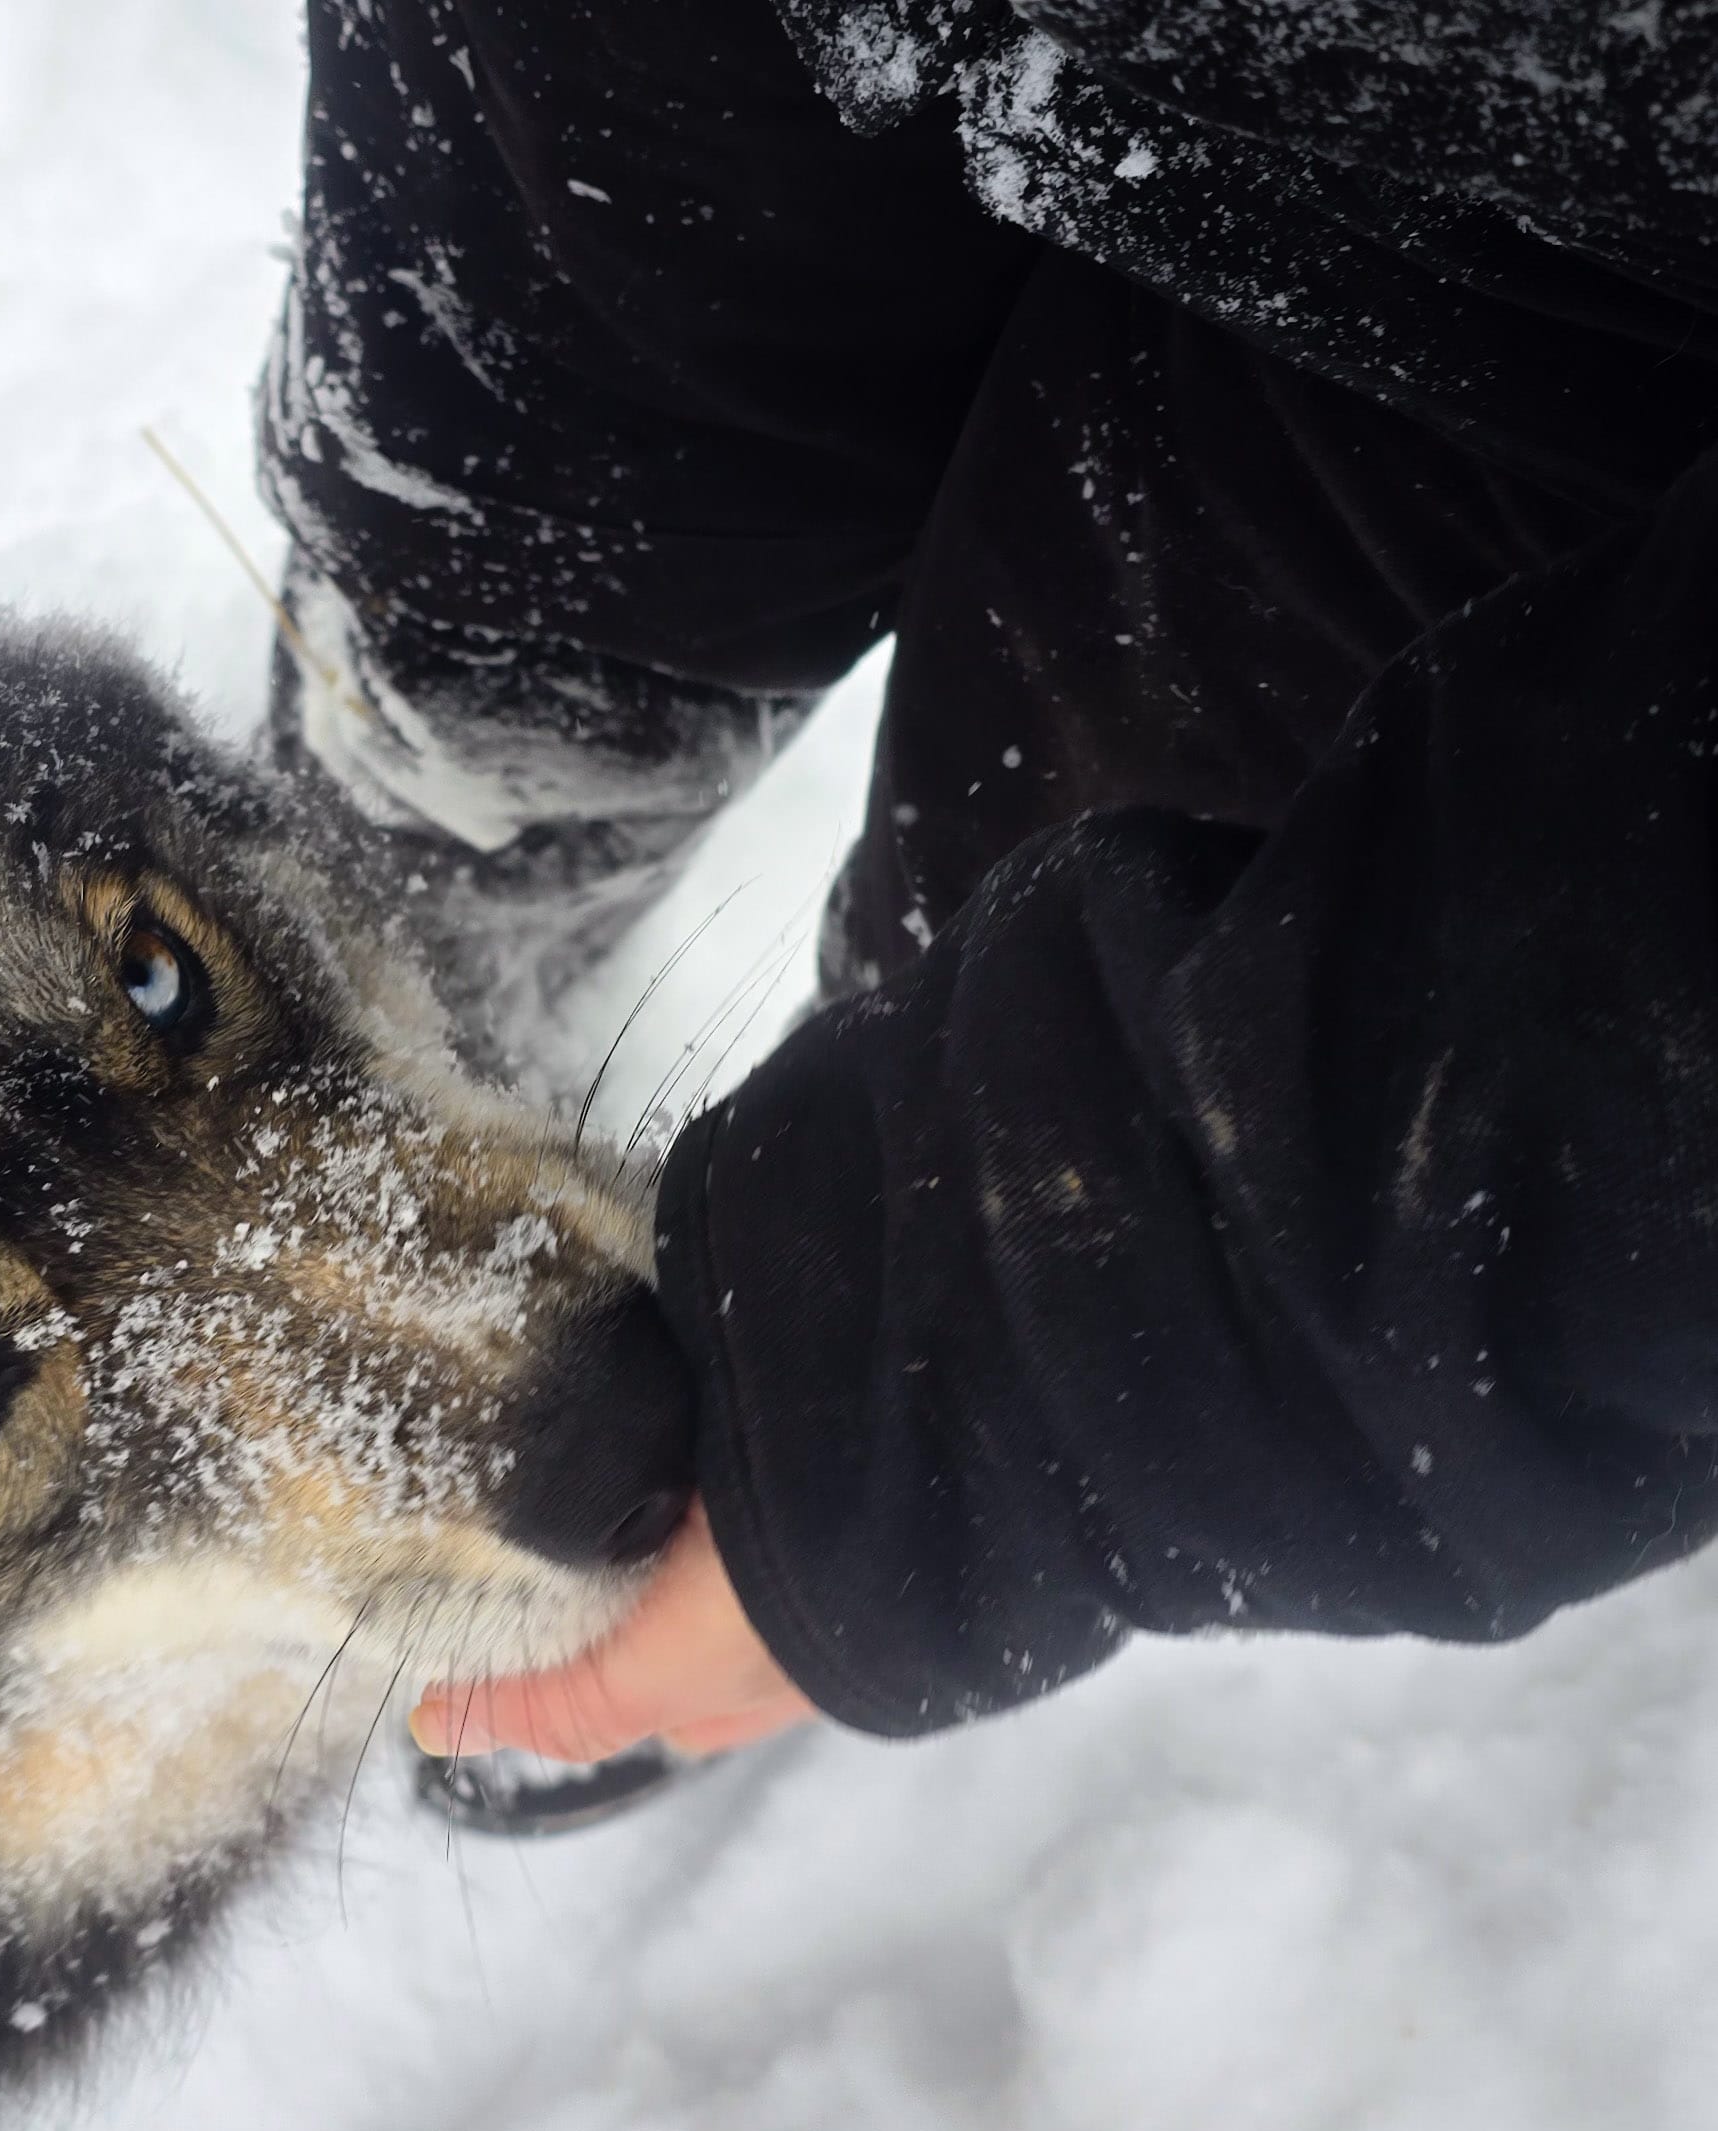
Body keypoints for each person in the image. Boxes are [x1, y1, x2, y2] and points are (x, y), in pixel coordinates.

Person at [249, 0, 1718, 1784]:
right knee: (482, 656)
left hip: (1577, 323)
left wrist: (966, 1369)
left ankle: (757, 1389)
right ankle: (416, 935)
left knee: (1052, 973)